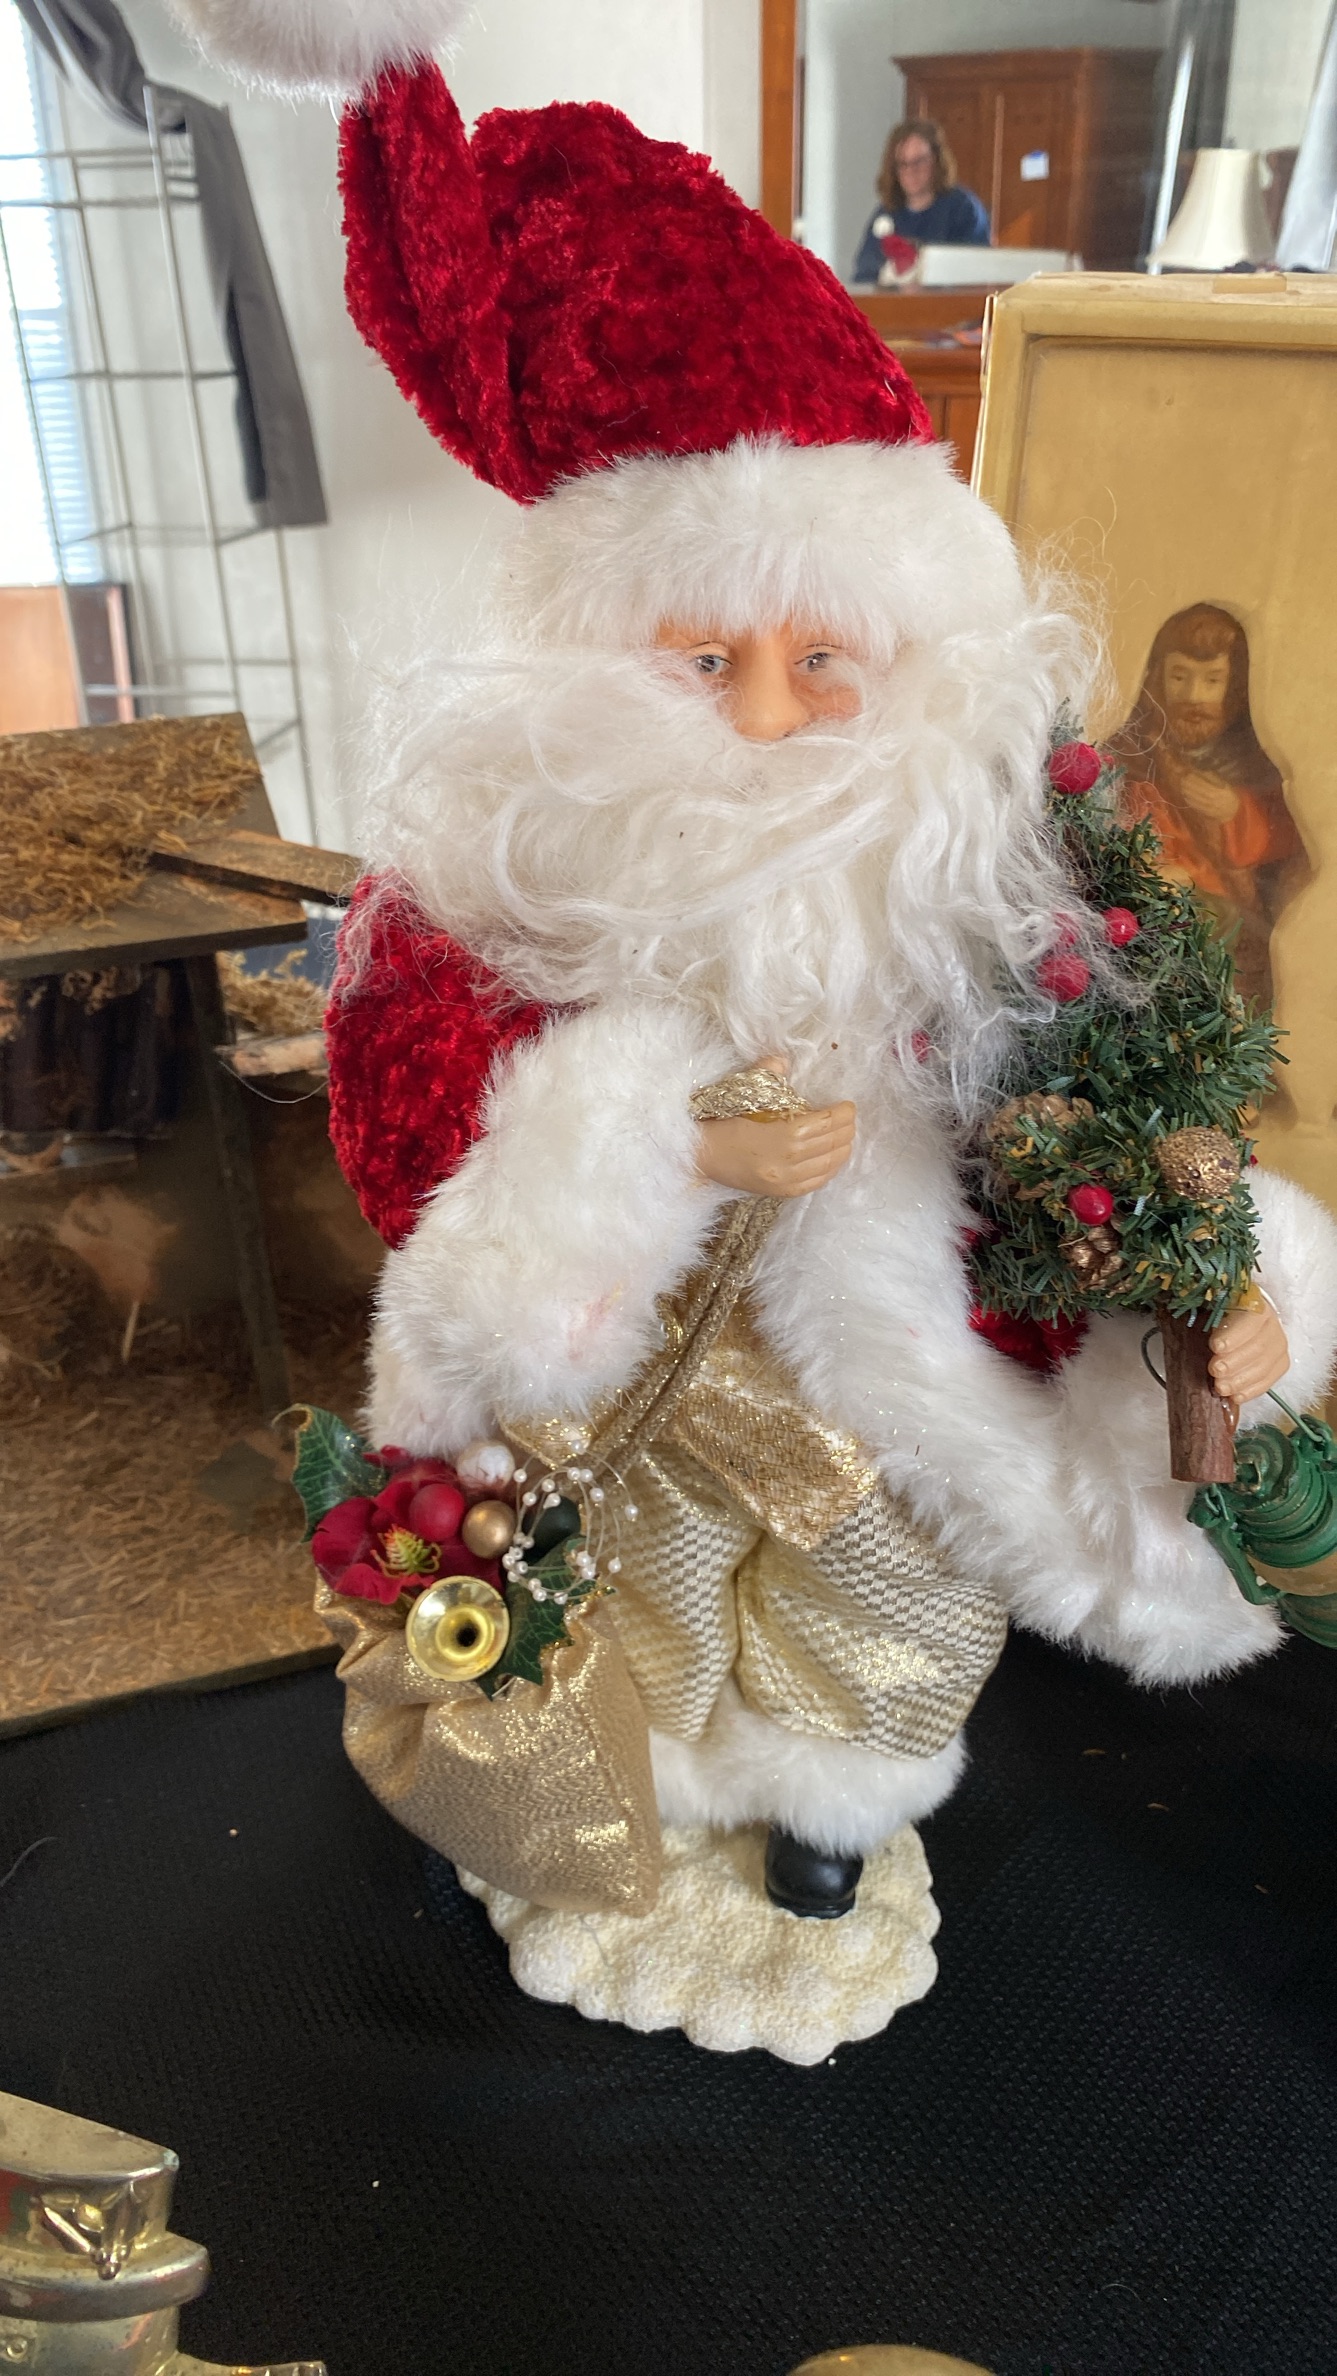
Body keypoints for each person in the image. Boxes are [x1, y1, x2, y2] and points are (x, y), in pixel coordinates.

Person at [175, 0, 1337, 2010]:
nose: (773, 721)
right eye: (704, 663)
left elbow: (1119, 1125)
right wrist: (661, 1139)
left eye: (825, 660)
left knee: (889, 1614)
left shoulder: (1006, 889)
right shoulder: (494, 897)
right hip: (629, 1391)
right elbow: (412, 1131)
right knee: (631, 1603)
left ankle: (820, 1839)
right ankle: (616, 1832)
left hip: (892, 1397)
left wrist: (1210, 1292)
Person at [1108, 603, 1308, 1011]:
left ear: (1235, 686)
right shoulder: (1134, 749)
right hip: (1153, 911)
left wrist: (1236, 812)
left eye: (1212, 680)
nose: (1193, 696)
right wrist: (1150, 866)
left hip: (1229, 918)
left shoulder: (1251, 759)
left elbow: (1294, 839)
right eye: (1179, 677)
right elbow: (1110, 820)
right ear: (1157, 678)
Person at [853, 117, 991, 283]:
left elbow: (975, 272)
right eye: (902, 163)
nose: (911, 171)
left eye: (919, 161)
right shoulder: (886, 212)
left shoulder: (963, 209)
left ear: (936, 161)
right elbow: (865, 275)